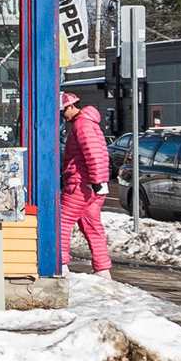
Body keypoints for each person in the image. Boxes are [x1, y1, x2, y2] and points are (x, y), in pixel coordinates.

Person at [58, 86, 112, 276]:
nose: (62, 116)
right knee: (92, 226)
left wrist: (95, 180)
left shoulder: (82, 125)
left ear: (71, 106)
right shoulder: (89, 123)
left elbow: (93, 152)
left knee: (62, 221)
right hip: (92, 185)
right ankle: (103, 269)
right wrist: (99, 182)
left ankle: (60, 265)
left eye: (63, 111)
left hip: (80, 184)